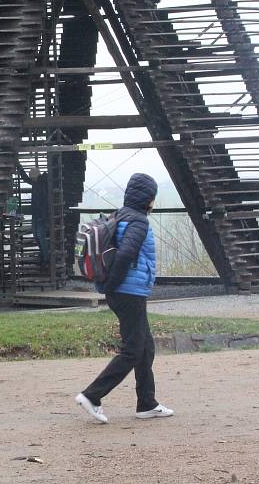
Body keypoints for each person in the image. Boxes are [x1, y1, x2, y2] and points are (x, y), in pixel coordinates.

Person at [75, 173, 173, 423]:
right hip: (128, 292)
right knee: (133, 349)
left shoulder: (120, 215)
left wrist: (109, 286)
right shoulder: (139, 222)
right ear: (149, 199)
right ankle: (92, 395)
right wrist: (112, 285)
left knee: (145, 346)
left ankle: (146, 403)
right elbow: (126, 254)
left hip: (125, 290)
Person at [16, 162, 50, 268]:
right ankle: (43, 256)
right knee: (37, 236)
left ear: (37, 176)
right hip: (36, 215)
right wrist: (19, 167)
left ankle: (46, 259)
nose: (32, 179)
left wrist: (44, 215)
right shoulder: (36, 182)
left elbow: (45, 201)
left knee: (41, 236)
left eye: (33, 177)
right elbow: (26, 178)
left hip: (42, 216)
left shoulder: (44, 183)